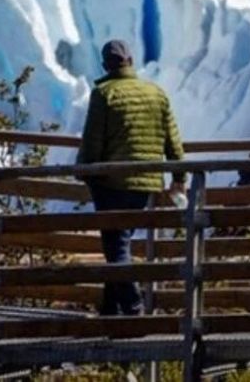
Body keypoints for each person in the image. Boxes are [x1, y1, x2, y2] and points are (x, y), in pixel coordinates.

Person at [77, 39, 186, 316]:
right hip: (146, 184)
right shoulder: (156, 93)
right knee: (119, 244)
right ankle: (109, 313)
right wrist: (179, 178)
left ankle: (134, 306)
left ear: (105, 65)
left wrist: (84, 171)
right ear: (132, 60)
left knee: (116, 247)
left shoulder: (104, 94)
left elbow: (93, 141)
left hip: (111, 183)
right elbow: (173, 143)